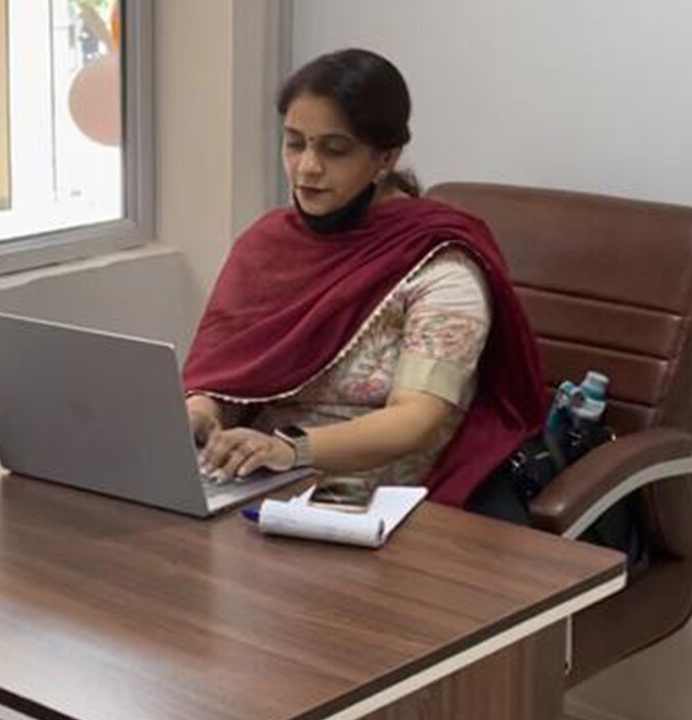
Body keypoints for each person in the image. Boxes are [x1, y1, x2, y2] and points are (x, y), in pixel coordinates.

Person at [182, 48, 546, 510]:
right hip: (251, 480)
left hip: (374, 502)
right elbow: (228, 372)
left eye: (334, 150)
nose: (307, 167)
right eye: (295, 143)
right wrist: (202, 413)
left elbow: (417, 420)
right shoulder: (268, 246)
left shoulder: (440, 266)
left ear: (386, 157)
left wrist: (290, 449)